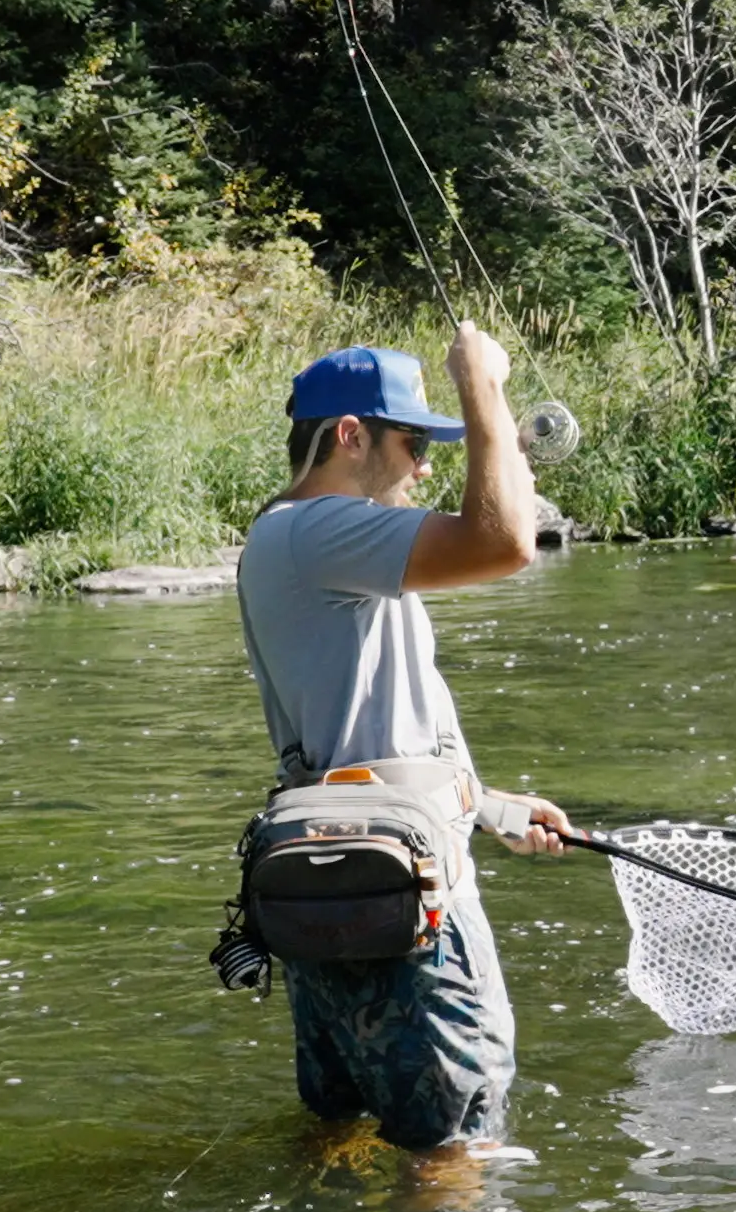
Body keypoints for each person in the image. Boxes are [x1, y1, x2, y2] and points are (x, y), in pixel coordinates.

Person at [235, 323, 568, 1155]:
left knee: (343, 1132)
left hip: (340, 879)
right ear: (350, 437)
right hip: (404, 893)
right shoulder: (317, 531)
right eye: (415, 443)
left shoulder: (297, 544)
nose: (425, 466)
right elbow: (503, 542)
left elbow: (373, 735)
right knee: (455, 1146)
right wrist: (481, 386)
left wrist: (488, 807)